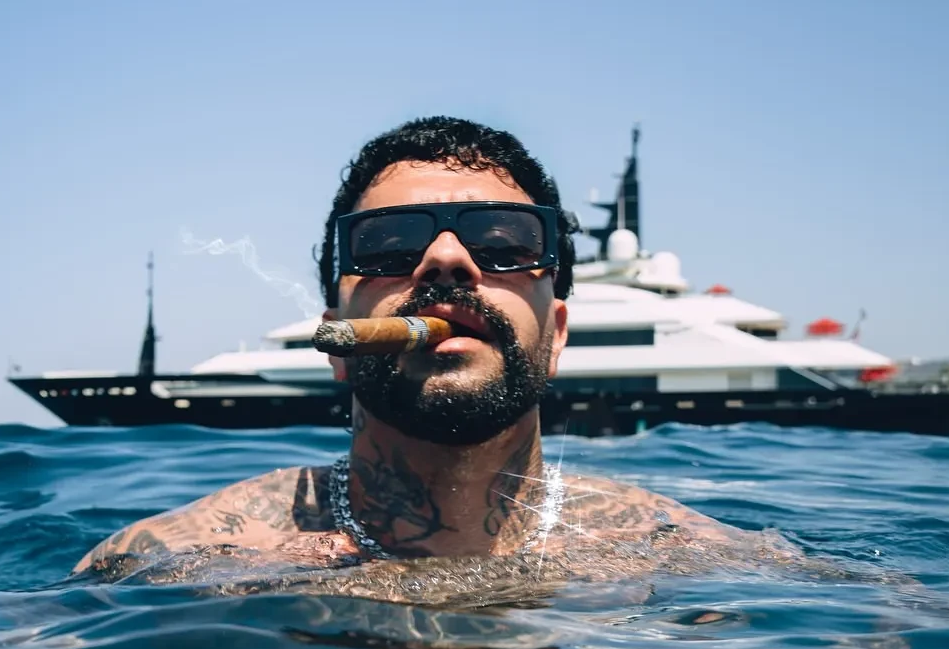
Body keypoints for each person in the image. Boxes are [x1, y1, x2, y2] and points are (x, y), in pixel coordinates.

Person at [75, 117, 742, 578]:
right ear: (337, 341)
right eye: (387, 247)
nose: (445, 260)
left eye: (504, 244)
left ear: (558, 334)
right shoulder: (174, 560)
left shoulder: (690, 559)